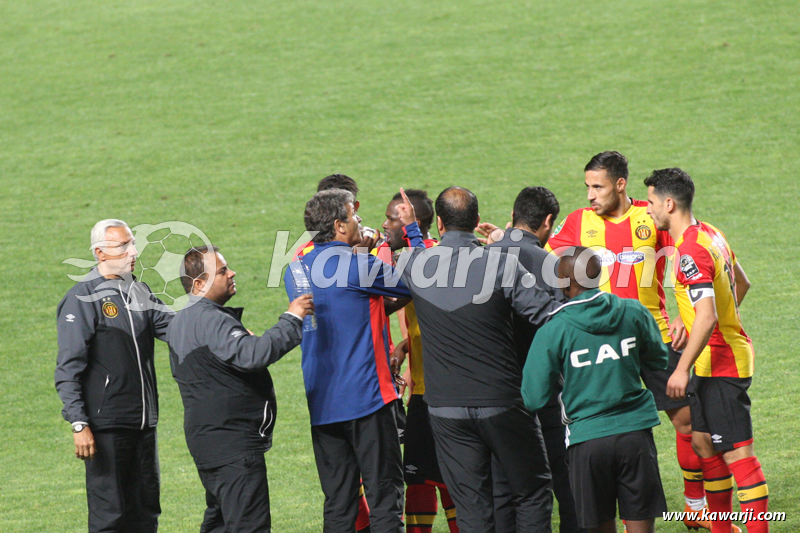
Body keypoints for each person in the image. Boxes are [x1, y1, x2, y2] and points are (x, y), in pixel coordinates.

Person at [545, 151, 706, 523]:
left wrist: (685, 315)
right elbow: (545, 261)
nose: (590, 195)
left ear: (620, 185)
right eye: (587, 187)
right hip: (602, 344)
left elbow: (693, 260)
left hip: (654, 336)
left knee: (685, 420)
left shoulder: (652, 217)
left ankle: (696, 504)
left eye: (597, 187)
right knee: (604, 428)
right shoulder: (576, 223)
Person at [400, 186, 559, 533]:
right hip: (502, 403)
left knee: (472, 507)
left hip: (444, 411)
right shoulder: (502, 264)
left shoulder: (414, 265)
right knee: (530, 492)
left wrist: (413, 231)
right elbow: (549, 317)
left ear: (440, 224)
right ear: (475, 220)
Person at [285, 188, 423, 533]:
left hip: (323, 406)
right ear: (339, 226)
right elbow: (421, 281)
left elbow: (342, 301)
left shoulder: (295, 269)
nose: (360, 219)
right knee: (385, 502)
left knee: (339, 506)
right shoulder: (359, 266)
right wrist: (411, 233)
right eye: (353, 214)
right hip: (369, 402)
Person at [645, 168, 768, 533]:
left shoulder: (690, 250)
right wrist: (695, 318)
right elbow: (741, 282)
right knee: (703, 444)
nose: (649, 210)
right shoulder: (710, 233)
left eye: (651, 202)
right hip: (712, 360)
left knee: (737, 454)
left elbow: (708, 315)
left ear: (669, 203)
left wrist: (682, 365)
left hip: (721, 365)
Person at [166, 245, 313, 532]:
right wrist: (292, 317)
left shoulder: (181, 321)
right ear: (199, 284)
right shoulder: (211, 319)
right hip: (232, 445)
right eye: (222, 271)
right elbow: (252, 355)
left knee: (220, 523)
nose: (232, 273)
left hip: (209, 443)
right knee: (248, 526)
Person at [521, 247, 669, 533]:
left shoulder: (554, 330)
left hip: (587, 441)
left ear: (564, 282)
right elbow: (659, 360)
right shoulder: (633, 311)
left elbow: (533, 396)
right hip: (635, 435)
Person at [55, 219, 173, 532]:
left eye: (132, 243)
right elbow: (68, 369)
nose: (133, 251)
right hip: (105, 426)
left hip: (144, 424)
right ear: (100, 253)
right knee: (110, 518)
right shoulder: (82, 298)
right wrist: (79, 423)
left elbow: (178, 328)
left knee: (145, 514)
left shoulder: (139, 291)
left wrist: (225, 329)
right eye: (123, 246)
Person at [479, 187, 583, 533]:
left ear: (514, 215)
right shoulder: (551, 265)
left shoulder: (484, 257)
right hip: (544, 393)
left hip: (496, 395)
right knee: (564, 479)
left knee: (503, 486)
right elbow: (559, 327)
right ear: (548, 221)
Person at [381, 189, 459, 533]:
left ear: (414, 222)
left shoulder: (424, 256)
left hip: (436, 393)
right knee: (428, 477)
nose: (385, 226)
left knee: (429, 481)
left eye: (392, 219)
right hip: (431, 388)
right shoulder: (431, 254)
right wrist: (405, 346)